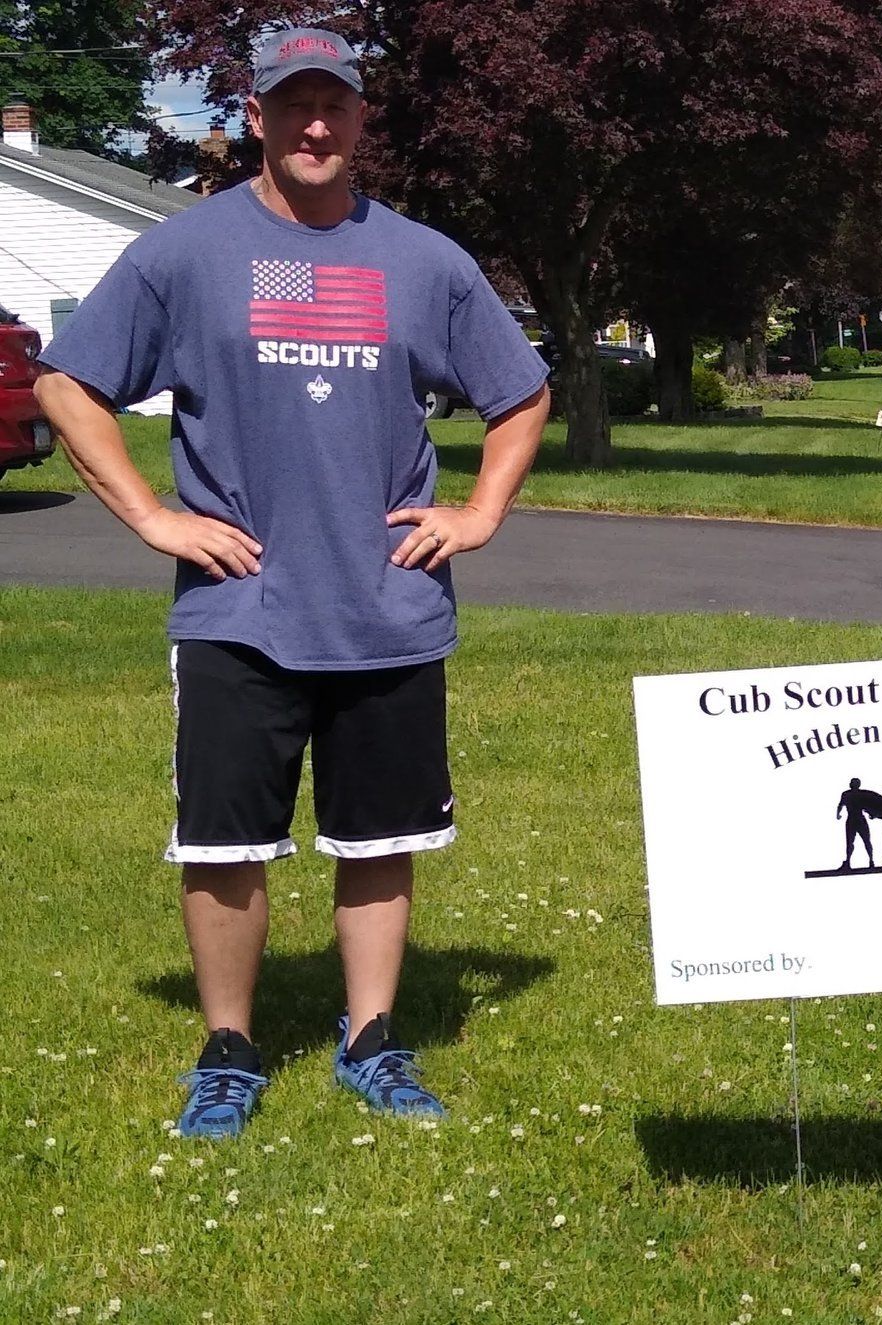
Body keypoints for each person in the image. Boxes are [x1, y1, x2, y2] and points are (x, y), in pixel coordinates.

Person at [33, 28, 550, 1138]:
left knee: (377, 837)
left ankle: (369, 1037)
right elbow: (70, 385)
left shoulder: (426, 261)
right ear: (259, 117)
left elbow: (522, 392)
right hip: (240, 608)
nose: (316, 126)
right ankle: (229, 1047)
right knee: (224, 845)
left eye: (336, 106)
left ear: (362, 121)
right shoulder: (186, 253)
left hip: (388, 603)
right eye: (293, 105)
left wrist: (482, 512)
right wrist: (154, 515)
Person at [835, 777, 876, 870]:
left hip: (856, 819)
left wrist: (838, 814)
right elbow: (840, 805)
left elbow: (866, 806)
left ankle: (871, 861)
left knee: (865, 841)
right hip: (854, 819)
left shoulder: (850, 794)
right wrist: (838, 814)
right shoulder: (848, 794)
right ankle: (849, 862)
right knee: (852, 842)